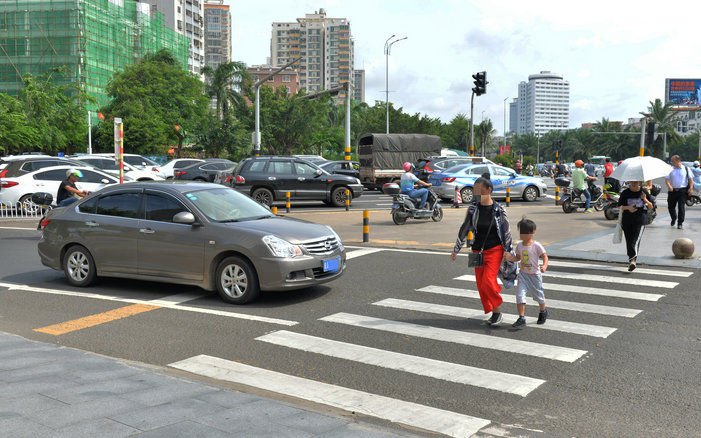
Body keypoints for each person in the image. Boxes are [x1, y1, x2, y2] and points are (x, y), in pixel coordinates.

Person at [451, 174, 514, 326]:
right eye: (474, 190)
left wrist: (507, 250)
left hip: (494, 250)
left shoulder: (499, 210)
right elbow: (465, 227)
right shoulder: (473, 209)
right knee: (481, 285)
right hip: (477, 252)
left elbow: (506, 231)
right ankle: (495, 313)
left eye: (478, 190)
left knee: (487, 281)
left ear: (489, 190)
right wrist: (457, 248)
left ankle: (497, 308)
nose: (475, 193)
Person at [504, 217, 548, 329]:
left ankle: (543, 311)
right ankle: (521, 318)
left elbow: (544, 256)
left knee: (539, 295)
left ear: (532, 233)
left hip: (534, 275)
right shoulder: (519, 246)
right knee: (519, 295)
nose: (522, 235)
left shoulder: (536, 245)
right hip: (523, 275)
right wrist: (509, 258)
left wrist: (544, 265)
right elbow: (518, 258)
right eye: (521, 232)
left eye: (525, 232)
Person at [618, 181, 653, 271]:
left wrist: (645, 199)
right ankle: (632, 261)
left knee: (635, 241)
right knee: (629, 241)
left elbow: (651, 206)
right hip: (627, 220)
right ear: (629, 181)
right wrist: (628, 208)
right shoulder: (625, 193)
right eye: (632, 181)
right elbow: (619, 206)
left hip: (640, 220)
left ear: (639, 182)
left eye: (636, 182)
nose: (634, 183)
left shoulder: (643, 192)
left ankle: (633, 261)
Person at [664, 155, 694, 229]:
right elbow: (667, 179)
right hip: (672, 191)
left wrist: (691, 188)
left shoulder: (686, 169)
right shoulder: (670, 169)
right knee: (671, 207)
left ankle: (680, 223)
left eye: (672, 161)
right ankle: (674, 218)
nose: (671, 163)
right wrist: (669, 186)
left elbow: (691, 180)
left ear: (678, 161)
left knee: (681, 207)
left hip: (682, 191)